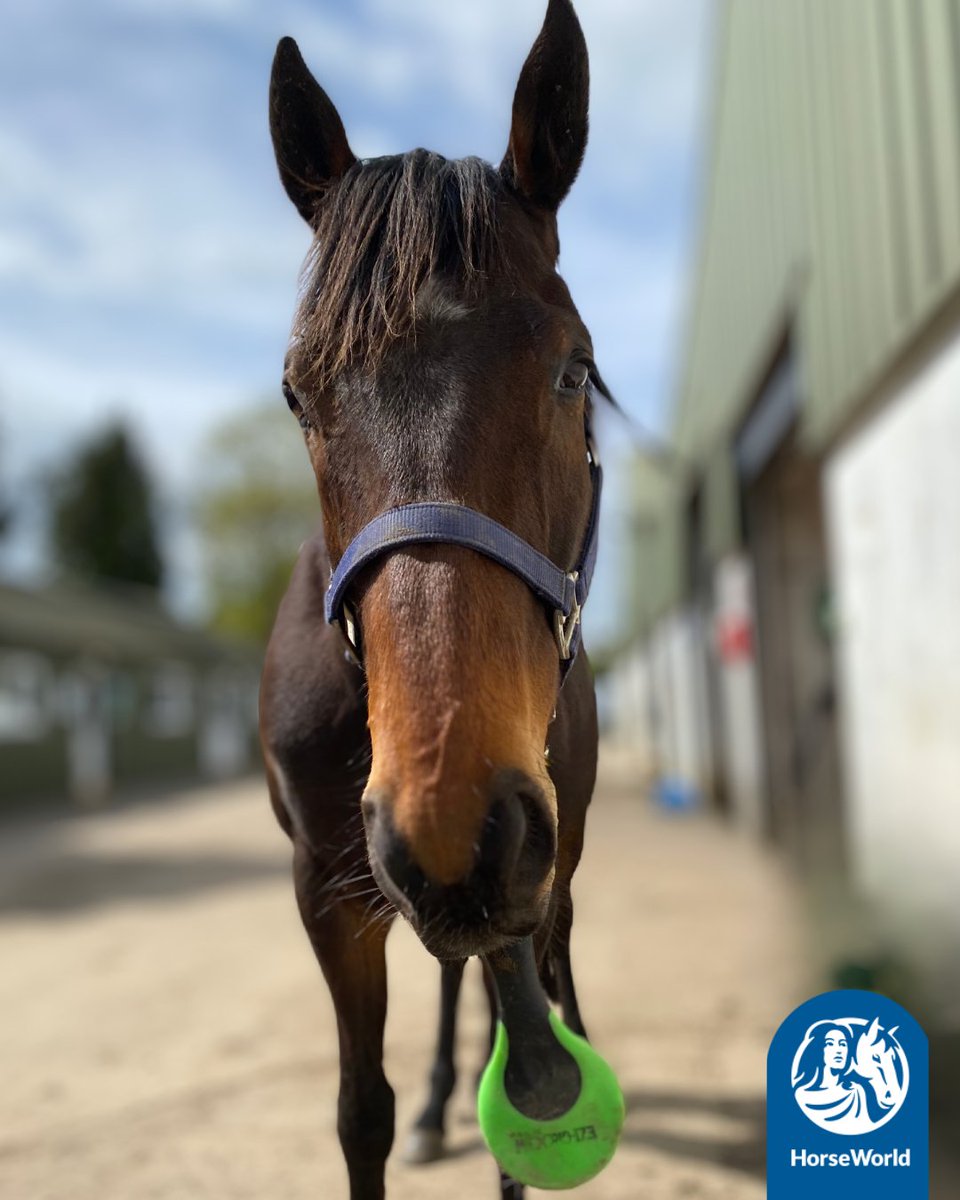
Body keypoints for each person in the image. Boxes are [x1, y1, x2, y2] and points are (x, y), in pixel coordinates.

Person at [793, 1022, 875, 1134]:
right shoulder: (802, 1095)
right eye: (830, 1044)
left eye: (843, 1044)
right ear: (819, 1049)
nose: (839, 1050)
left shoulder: (856, 1092)